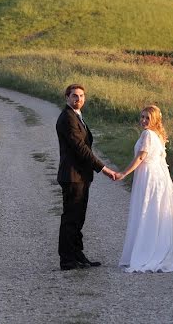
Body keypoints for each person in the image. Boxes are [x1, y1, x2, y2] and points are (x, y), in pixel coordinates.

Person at [115, 105, 173, 273]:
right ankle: (156, 246)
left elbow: (141, 157)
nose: (144, 120)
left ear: (155, 120)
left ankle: (147, 251)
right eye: (142, 117)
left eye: (147, 118)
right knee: (155, 211)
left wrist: (124, 173)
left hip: (149, 177)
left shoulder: (148, 134)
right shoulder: (157, 135)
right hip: (158, 176)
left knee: (148, 210)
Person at [56, 84, 118, 271]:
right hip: (72, 175)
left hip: (81, 175)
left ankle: (77, 254)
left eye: (81, 96)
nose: (78, 99)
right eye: (74, 96)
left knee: (78, 217)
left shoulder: (76, 115)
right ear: (67, 97)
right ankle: (67, 260)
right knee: (71, 218)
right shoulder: (67, 118)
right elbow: (81, 149)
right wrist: (104, 169)